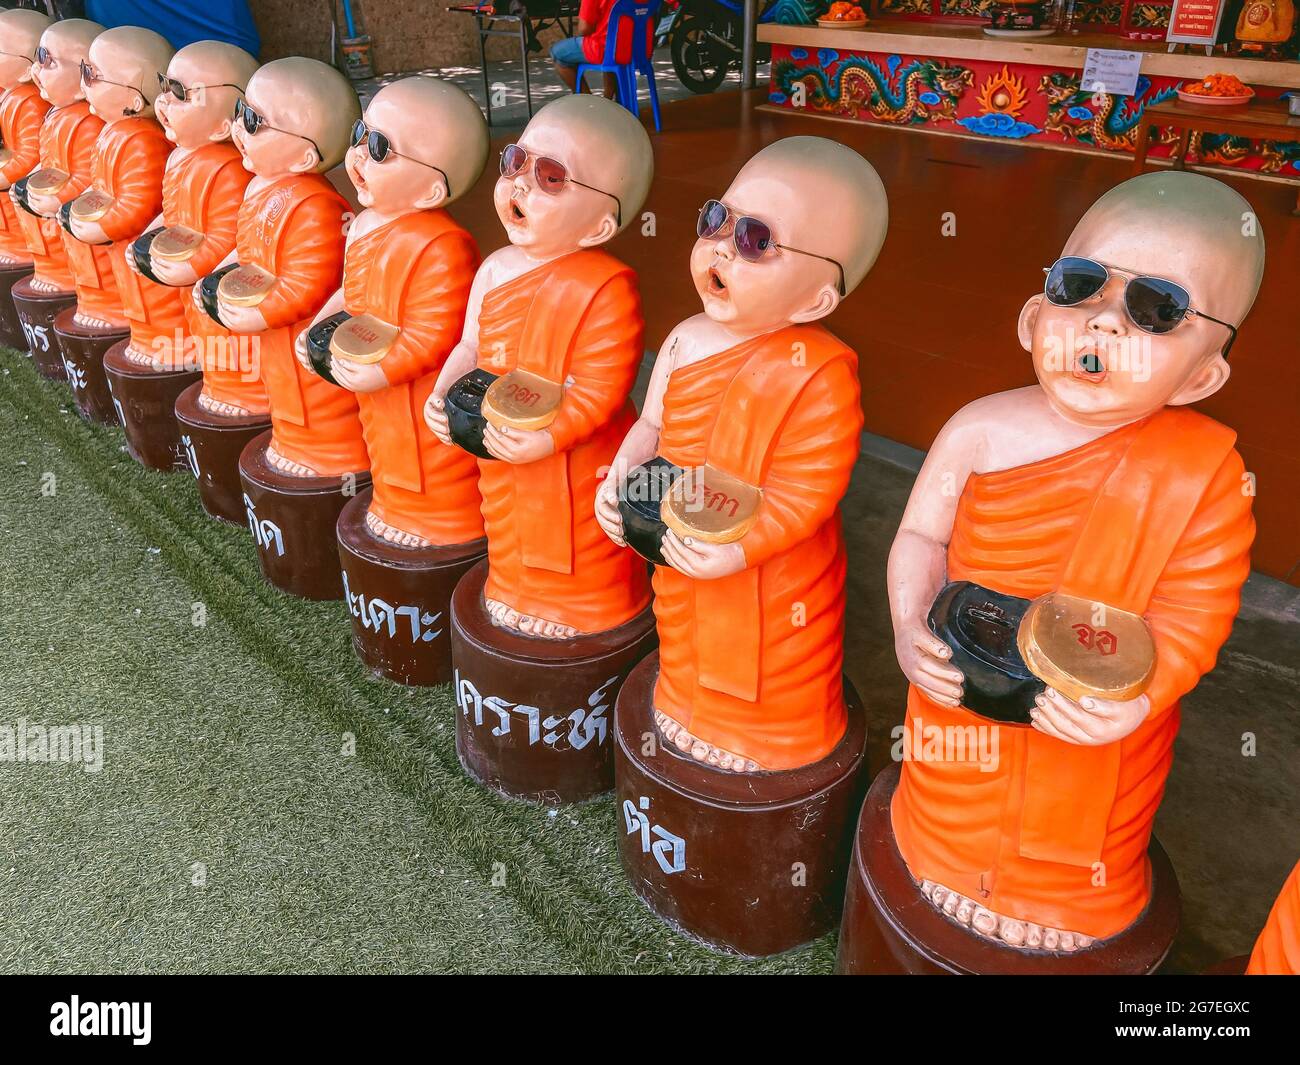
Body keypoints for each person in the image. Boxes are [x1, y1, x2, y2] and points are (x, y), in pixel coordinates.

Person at [550, 0, 618, 98]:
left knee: (556, 52)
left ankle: (586, 99)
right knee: (613, 43)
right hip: (636, 49)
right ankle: (608, 98)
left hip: (604, 49)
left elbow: (584, 29)